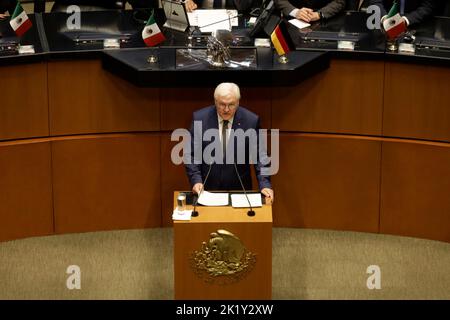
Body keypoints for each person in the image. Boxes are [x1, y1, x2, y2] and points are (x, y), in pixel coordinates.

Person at [185, 83, 274, 203]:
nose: (226, 109)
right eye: (222, 104)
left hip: (240, 190)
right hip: (207, 189)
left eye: (231, 104)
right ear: (215, 101)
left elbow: (261, 156)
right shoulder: (200, 118)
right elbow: (191, 154)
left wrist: (265, 184)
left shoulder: (251, 121)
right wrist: (196, 180)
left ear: (238, 102)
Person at [369, 0, 438, 26]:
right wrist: (384, 18)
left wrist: (406, 20)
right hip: (385, 23)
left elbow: (428, 6)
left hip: (416, 25)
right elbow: (375, 2)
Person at [274, 0, 346, 22]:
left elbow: (339, 1)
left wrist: (319, 14)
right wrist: (295, 12)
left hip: (327, 18)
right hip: (293, 17)